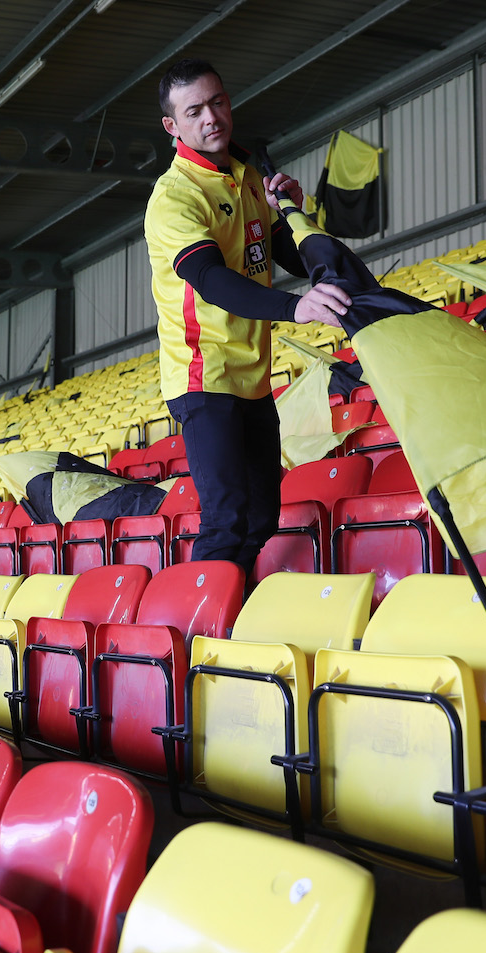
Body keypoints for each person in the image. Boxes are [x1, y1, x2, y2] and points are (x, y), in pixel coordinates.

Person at [144, 58, 350, 579]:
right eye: (194, 111)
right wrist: (293, 308)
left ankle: (233, 617)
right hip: (204, 375)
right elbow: (212, 280)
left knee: (262, 516)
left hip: (253, 378)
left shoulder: (249, 177)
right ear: (173, 126)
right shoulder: (174, 198)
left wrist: (298, 213)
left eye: (218, 102)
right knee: (227, 519)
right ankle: (199, 640)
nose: (211, 117)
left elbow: (287, 254)